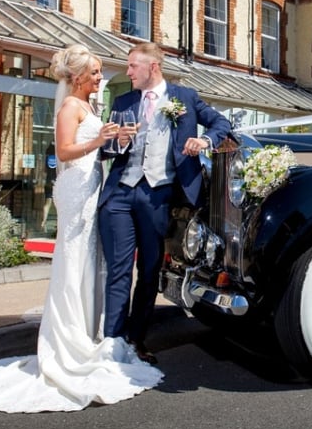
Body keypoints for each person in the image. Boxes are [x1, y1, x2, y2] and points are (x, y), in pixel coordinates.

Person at [0, 44, 163, 413]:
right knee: (73, 260)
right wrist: (99, 139)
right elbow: (63, 151)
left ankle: (88, 332)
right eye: (94, 72)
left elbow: (97, 150)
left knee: (90, 261)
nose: (100, 77)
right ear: (78, 77)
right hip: (76, 190)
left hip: (91, 187)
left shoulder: (89, 105)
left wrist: (115, 139)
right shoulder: (70, 107)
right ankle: (67, 342)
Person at [99, 41, 231, 363]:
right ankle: (113, 342)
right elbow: (106, 151)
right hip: (120, 193)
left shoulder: (185, 97)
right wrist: (118, 142)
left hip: (158, 196)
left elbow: (222, 124)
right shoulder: (123, 101)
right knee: (119, 271)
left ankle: (136, 340)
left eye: (133, 66)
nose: (128, 72)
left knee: (149, 270)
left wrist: (204, 140)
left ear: (153, 67)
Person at [40, 140, 56, 232]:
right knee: (58, 205)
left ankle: (43, 222)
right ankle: (58, 224)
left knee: (47, 204)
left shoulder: (48, 157)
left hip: (48, 181)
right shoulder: (59, 156)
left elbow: (44, 170)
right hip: (57, 181)